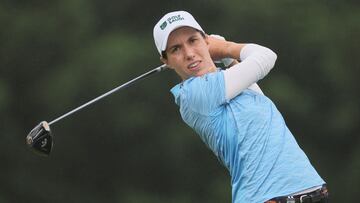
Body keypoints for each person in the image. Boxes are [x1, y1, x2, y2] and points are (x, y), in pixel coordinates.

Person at [153, 10, 329, 203]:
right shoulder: (194, 94)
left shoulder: (229, 84)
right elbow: (266, 57)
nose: (189, 53)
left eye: (193, 40)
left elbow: (256, 95)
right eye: (175, 49)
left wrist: (226, 58)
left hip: (314, 194)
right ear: (166, 61)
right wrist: (226, 47)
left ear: (206, 40)